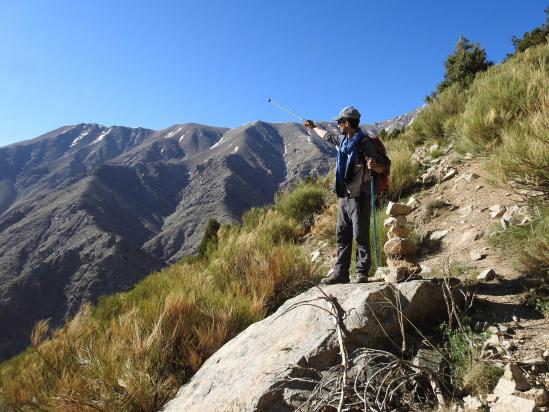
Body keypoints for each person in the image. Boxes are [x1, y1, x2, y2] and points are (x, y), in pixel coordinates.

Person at [304, 106, 389, 284]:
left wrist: (376, 166)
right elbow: (326, 135)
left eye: (340, 121)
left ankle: (361, 272)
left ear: (348, 123)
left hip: (361, 196)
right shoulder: (343, 140)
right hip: (344, 196)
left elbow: (385, 166)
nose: (338, 124)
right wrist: (313, 127)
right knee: (342, 234)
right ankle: (341, 272)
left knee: (360, 235)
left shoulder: (365, 143)